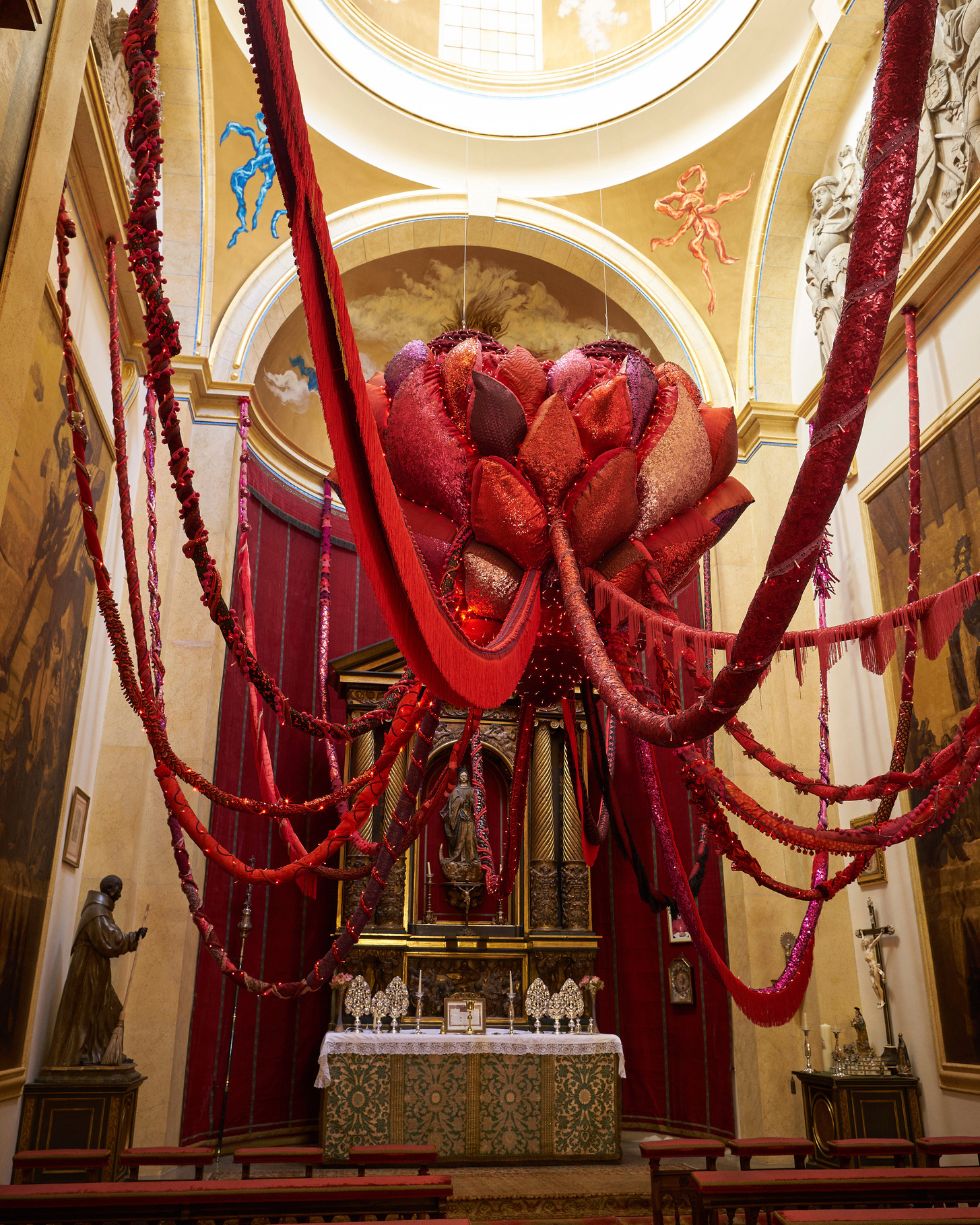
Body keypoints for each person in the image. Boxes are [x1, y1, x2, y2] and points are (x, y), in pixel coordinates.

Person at [45, 875, 147, 1066]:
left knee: (109, 1010)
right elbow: (110, 940)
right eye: (119, 888)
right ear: (110, 890)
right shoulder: (97, 913)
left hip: (97, 969)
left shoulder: (101, 910)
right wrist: (132, 938)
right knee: (86, 1011)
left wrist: (133, 937)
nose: (121, 893)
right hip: (88, 971)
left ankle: (99, 1053)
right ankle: (78, 1054)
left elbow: (110, 936)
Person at [440, 769, 479, 865]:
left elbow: (477, 806)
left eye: (465, 776)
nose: (463, 777)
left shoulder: (472, 790)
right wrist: (460, 801)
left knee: (470, 838)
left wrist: (471, 801)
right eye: (462, 776)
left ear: (468, 777)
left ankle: (471, 858)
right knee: (460, 839)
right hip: (459, 819)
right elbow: (452, 805)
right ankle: (459, 858)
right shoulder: (456, 791)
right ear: (459, 778)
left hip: (469, 818)